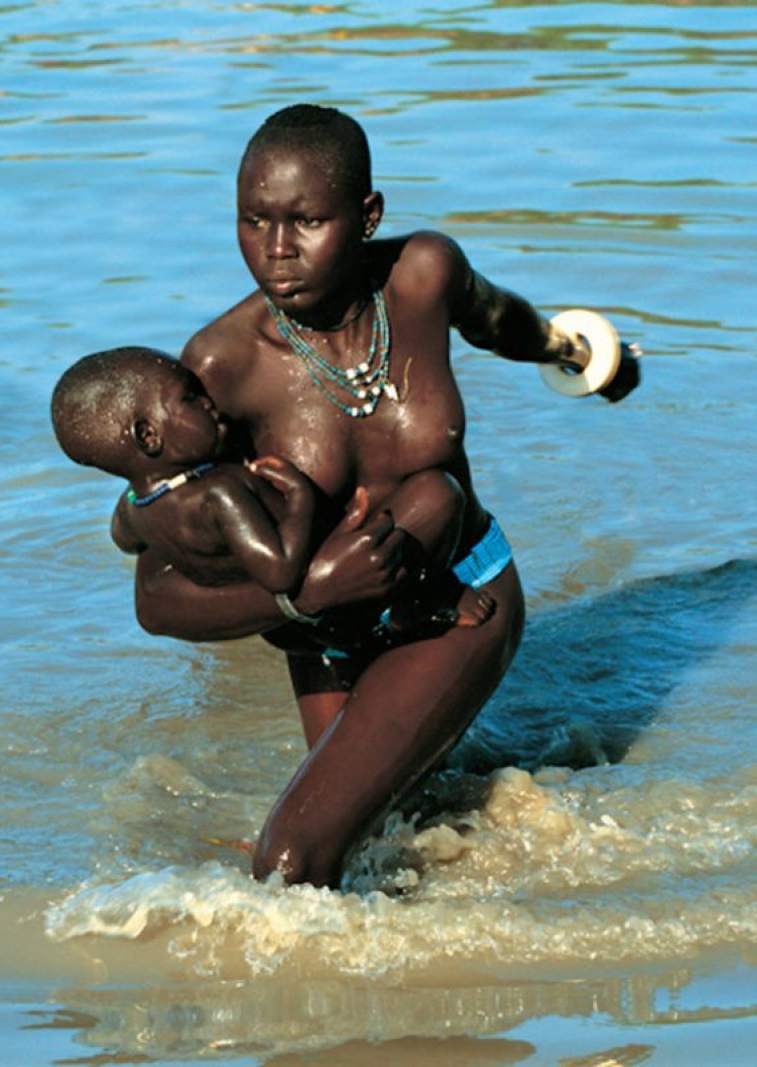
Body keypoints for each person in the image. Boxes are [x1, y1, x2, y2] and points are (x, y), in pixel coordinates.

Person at [131, 103, 640, 889]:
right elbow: (157, 596)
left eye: (305, 221)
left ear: (367, 216)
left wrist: (578, 355)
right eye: (253, 220)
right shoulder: (221, 369)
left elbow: (498, 318)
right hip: (326, 635)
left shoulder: (423, 274)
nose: (275, 252)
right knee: (391, 835)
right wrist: (308, 599)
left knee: (292, 858)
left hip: (459, 595)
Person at [51, 345, 492, 635]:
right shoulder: (218, 493)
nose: (208, 402)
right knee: (437, 499)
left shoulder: (137, 508)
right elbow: (280, 571)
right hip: (321, 589)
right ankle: (412, 605)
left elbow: (122, 539)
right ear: (149, 437)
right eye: (188, 398)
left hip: (276, 625)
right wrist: (299, 496)